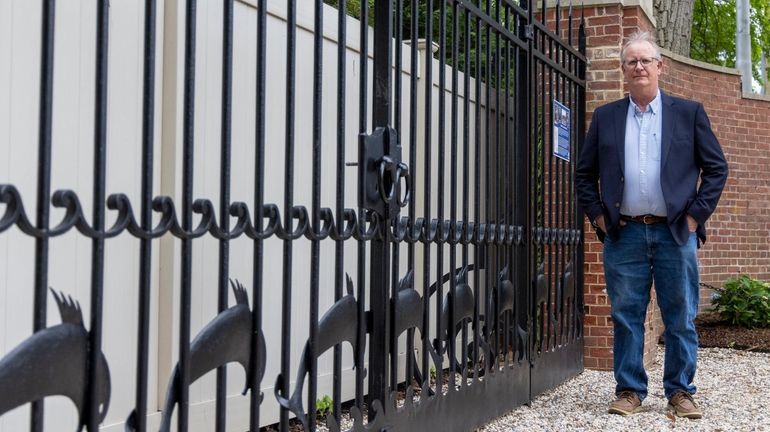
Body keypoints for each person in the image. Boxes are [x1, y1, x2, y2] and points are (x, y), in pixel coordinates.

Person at [575, 31, 728, 419]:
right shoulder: (607, 117)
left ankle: (680, 391)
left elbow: (716, 168)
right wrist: (599, 218)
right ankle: (629, 389)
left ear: (660, 67)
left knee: (680, 315)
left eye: (646, 60)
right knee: (627, 314)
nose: (639, 67)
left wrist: (695, 216)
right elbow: (584, 174)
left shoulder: (688, 112)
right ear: (623, 71)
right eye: (632, 62)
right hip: (623, 233)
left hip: (675, 232)